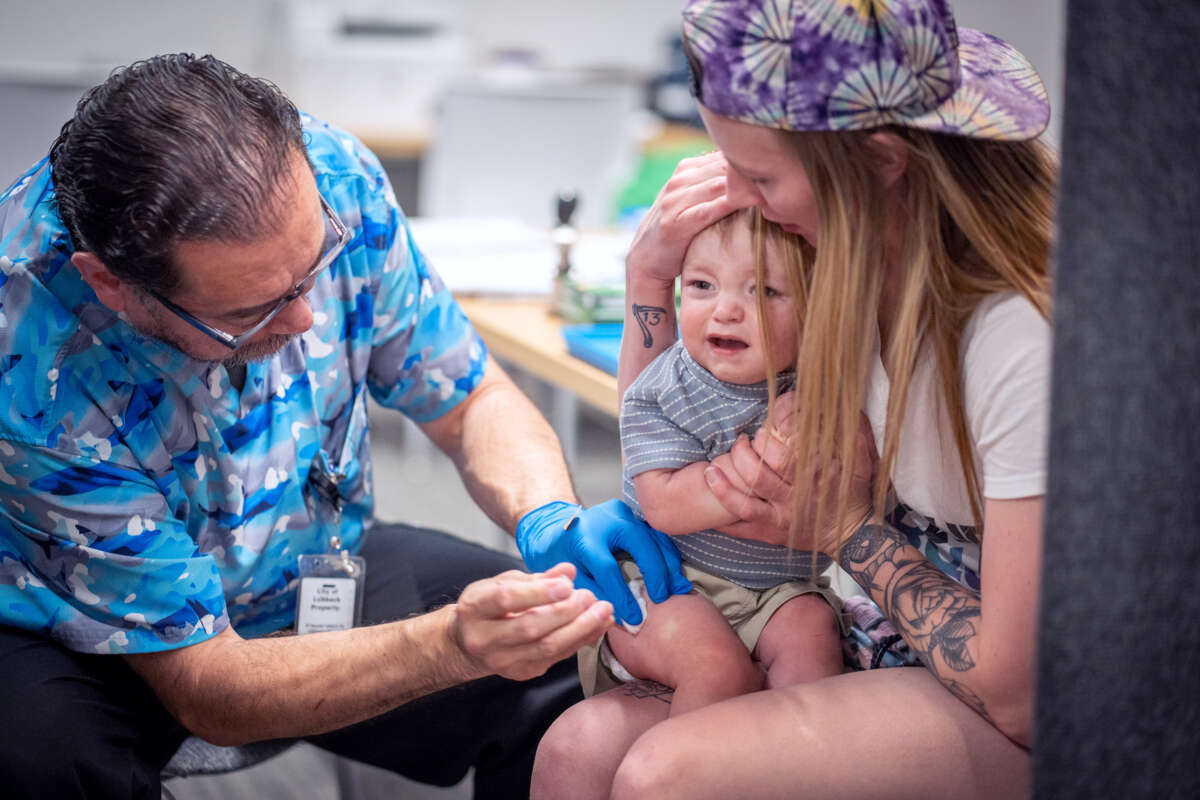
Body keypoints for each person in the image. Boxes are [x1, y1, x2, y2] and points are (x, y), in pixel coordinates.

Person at [0, 53, 690, 800]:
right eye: (253, 312)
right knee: (49, 761)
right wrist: (449, 646)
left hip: (309, 561)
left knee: (569, 658)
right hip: (91, 630)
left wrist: (548, 513)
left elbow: (471, 400)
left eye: (313, 268)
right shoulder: (30, 363)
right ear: (113, 284)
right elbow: (211, 686)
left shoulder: (331, 177)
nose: (303, 321)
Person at [532, 1, 1055, 797]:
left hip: (1002, 688)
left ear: (881, 162)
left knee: (662, 775)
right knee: (579, 745)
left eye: (761, 176)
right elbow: (680, 407)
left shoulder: (1014, 333)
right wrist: (650, 277)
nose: (733, 195)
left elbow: (1017, 692)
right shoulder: (844, 264)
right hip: (862, 621)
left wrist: (841, 525)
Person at [574, 207, 846, 717]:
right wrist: (765, 464)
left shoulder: (822, 390)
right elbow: (664, 505)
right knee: (715, 670)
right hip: (672, 581)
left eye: (764, 291)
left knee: (814, 647)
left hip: (780, 589)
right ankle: (681, 775)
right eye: (702, 285)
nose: (726, 310)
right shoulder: (663, 387)